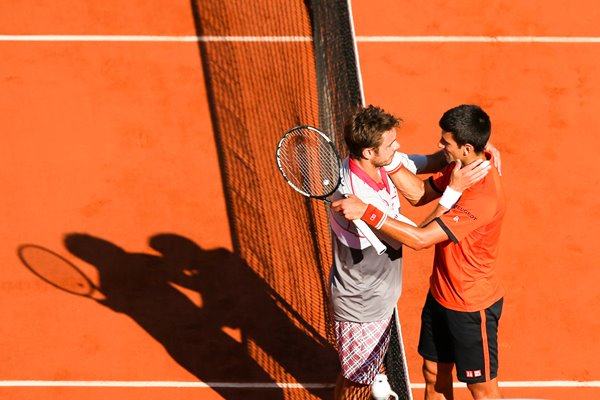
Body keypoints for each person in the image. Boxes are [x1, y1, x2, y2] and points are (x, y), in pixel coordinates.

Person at [331, 104, 506, 400]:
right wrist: (478, 146)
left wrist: (367, 211)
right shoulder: (460, 166)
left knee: (482, 390)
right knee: (432, 374)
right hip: (434, 294)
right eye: (390, 144)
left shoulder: (482, 197)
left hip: (469, 304)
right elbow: (419, 196)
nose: (440, 147)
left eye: (446, 142)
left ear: (465, 148)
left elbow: (422, 238)